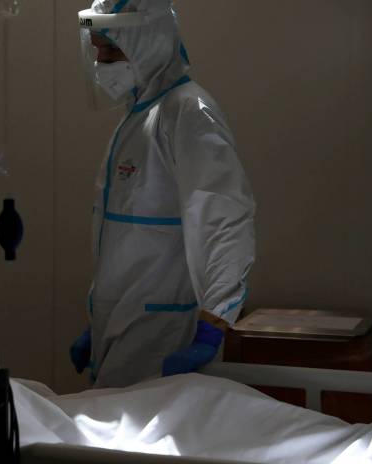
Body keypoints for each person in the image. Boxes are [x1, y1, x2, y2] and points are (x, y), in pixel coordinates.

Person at [71, 0, 256, 388]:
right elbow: (126, 240)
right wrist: (99, 319)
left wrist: (215, 321)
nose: (102, 63)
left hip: (166, 334)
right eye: (98, 50)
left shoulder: (187, 112)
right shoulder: (139, 116)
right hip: (122, 324)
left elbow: (224, 220)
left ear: (150, 42)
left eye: (112, 51)